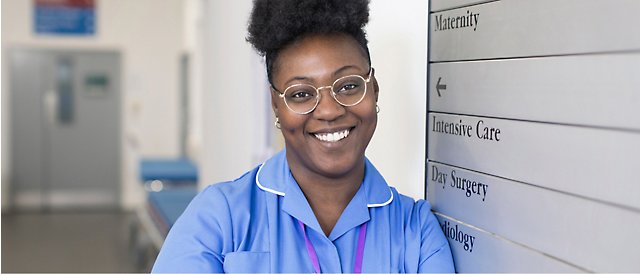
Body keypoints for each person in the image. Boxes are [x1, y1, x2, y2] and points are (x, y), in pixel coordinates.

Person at [152, 0, 454, 272]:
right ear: (276, 105)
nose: (329, 111)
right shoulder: (220, 219)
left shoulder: (415, 232)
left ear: (373, 88)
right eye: (301, 94)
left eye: (348, 86)